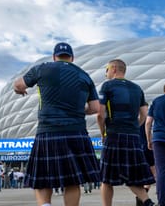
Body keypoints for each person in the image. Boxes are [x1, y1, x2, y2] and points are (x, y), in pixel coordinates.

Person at [13, 42, 101, 206]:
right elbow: (95, 108)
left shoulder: (42, 68)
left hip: (48, 130)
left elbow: (18, 85)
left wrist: (20, 90)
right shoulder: (84, 75)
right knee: (73, 180)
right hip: (76, 131)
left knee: (42, 179)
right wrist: (78, 110)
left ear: (54, 57)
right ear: (72, 58)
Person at [97, 59, 155, 206]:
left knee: (106, 178)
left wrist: (102, 133)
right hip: (133, 136)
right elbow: (144, 113)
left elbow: (100, 114)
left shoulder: (107, 86)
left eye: (107, 69)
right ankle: (147, 201)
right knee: (133, 176)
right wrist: (135, 126)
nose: (106, 73)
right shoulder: (137, 88)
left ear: (114, 68)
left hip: (114, 134)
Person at [136, 121, 157, 206]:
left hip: (137, 147)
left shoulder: (134, 119)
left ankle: (141, 197)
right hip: (147, 148)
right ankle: (141, 197)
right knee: (153, 174)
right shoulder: (146, 119)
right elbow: (150, 132)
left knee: (140, 175)